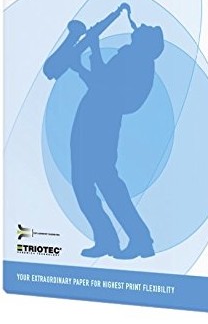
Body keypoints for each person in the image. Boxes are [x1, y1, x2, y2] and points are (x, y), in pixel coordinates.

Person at [68, 18, 164, 258]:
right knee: (94, 182)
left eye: (146, 29)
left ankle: (137, 240)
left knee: (98, 183)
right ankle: (113, 240)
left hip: (98, 123)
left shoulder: (135, 59)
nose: (140, 26)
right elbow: (102, 83)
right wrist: (85, 61)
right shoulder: (134, 57)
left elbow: (102, 84)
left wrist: (90, 52)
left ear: (145, 42)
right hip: (96, 119)